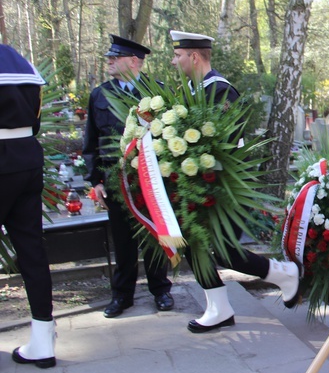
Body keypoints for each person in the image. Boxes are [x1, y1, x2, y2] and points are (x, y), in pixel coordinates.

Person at [169, 30, 300, 333]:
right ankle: (218, 307)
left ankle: (282, 274)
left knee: (225, 251)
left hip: (220, 186)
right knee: (193, 245)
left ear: (194, 56)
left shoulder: (219, 90)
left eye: (178, 55)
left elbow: (221, 141)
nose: (174, 61)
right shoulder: (190, 90)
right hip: (195, 184)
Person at [83, 35, 174, 318]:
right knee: (122, 240)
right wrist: (95, 181)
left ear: (134, 61)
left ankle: (160, 290)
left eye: (115, 56)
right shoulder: (100, 94)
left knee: (154, 234)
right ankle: (122, 295)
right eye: (109, 57)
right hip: (115, 179)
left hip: (149, 179)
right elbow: (91, 140)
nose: (109, 61)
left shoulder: (158, 94)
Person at [1, 45, 56, 368]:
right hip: (27, 160)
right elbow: (35, 122)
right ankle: (42, 341)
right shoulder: (19, 60)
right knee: (32, 251)